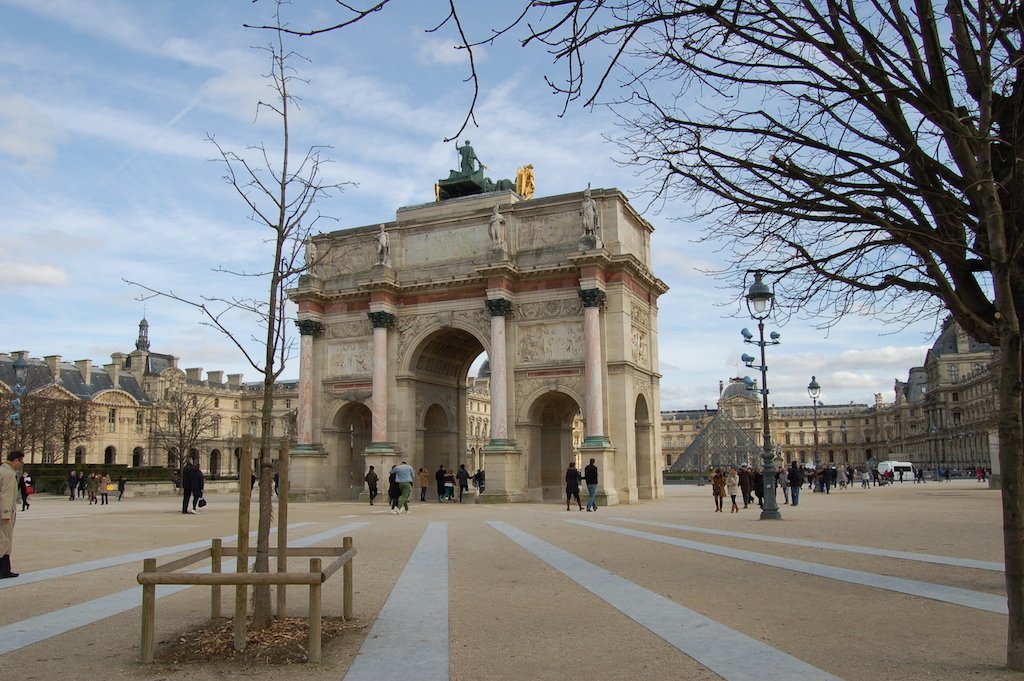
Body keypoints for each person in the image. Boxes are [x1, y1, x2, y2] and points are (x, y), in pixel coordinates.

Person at [1, 451, 25, 578]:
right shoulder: (9, 474)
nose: (20, 464)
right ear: (15, 460)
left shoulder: (2, 470)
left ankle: (5, 568)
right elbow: (6, 495)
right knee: (4, 540)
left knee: (4, 540)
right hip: (5, 512)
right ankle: (3, 569)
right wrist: (5, 513)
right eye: (20, 461)